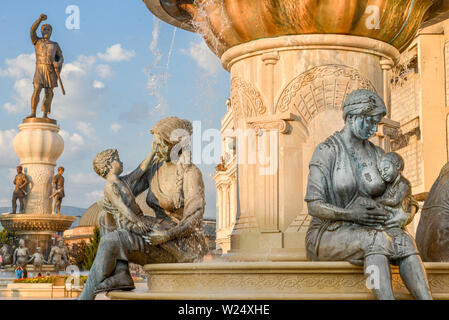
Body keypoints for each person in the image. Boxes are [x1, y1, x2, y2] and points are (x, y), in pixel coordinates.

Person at [305, 89, 432, 300]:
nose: (374, 128)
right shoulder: (327, 151)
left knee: (404, 241)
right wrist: (351, 215)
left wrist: (405, 213)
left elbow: (403, 192)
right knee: (376, 240)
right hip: (329, 232)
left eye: (377, 122)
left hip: (372, 229)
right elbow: (314, 205)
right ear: (352, 116)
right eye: (370, 121)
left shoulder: (378, 154)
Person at [78, 117, 208, 300]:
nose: (155, 149)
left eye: (160, 144)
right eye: (154, 144)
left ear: (175, 145)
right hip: (155, 231)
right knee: (104, 215)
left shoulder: (191, 173)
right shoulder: (155, 167)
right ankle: (122, 273)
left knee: (111, 241)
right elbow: (126, 189)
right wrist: (107, 200)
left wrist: (167, 235)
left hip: (177, 242)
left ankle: (85, 297)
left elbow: (195, 218)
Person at [28, 13, 64, 119]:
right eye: (44, 29)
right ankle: (33, 112)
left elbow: (61, 57)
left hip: (50, 70)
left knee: (49, 93)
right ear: (41, 31)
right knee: (37, 89)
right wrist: (39, 20)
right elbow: (32, 30)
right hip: (39, 68)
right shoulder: (37, 41)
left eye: (48, 30)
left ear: (51, 32)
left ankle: (44, 114)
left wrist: (58, 63)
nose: (46, 31)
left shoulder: (55, 45)